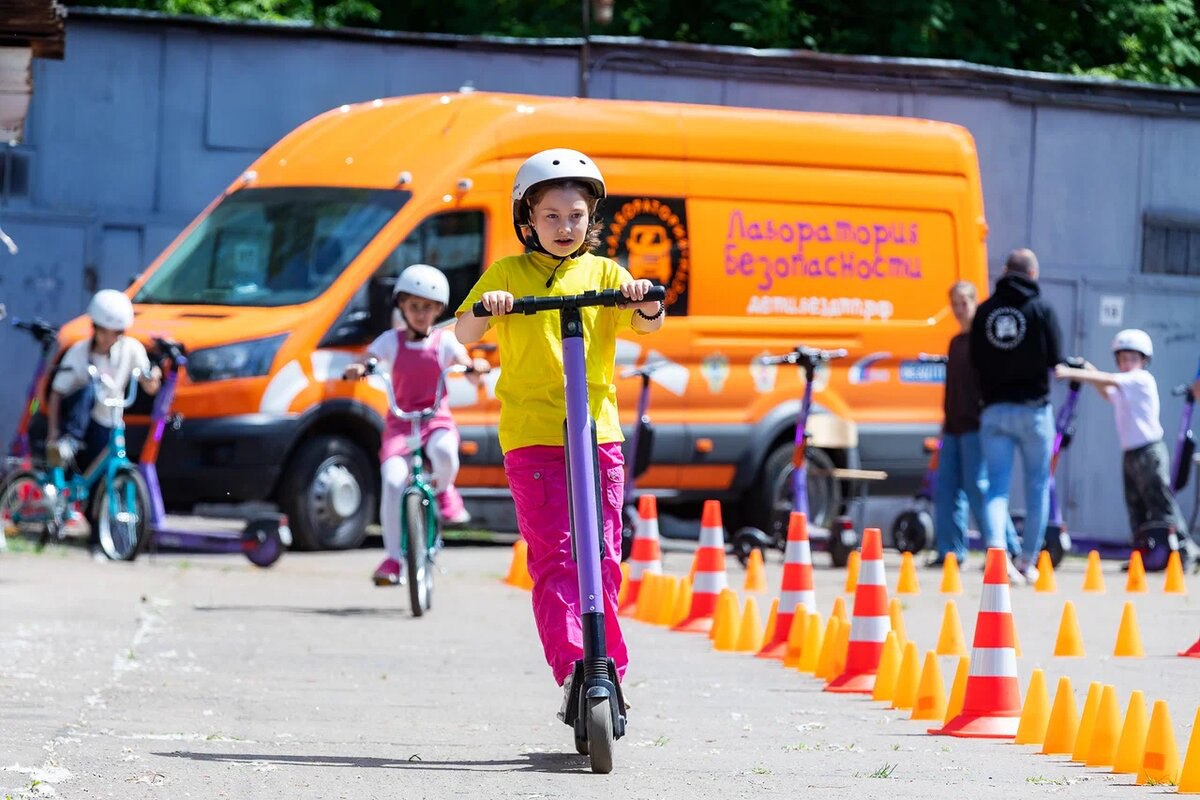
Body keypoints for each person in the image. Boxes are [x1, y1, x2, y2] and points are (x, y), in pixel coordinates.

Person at [454, 148, 665, 718]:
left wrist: (643, 297)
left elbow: (649, 320)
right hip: (533, 436)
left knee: (603, 555)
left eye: (576, 215)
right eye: (551, 216)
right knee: (554, 555)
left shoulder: (604, 273)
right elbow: (465, 330)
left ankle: (609, 670)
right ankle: (575, 665)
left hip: (597, 435)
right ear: (529, 220)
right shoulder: (507, 275)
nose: (565, 227)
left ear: (592, 221)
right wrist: (489, 305)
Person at [343, 264, 489, 586]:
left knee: (444, 452)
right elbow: (369, 359)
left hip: (435, 419)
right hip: (400, 424)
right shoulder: (390, 341)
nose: (421, 314)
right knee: (393, 482)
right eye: (414, 306)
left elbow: (466, 362)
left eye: (428, 307)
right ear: (402, 307)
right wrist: (359, 368)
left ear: (438, 309)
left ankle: (447, 491)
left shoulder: (444, 342)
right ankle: (394, 559)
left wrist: (473, 367)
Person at [1054, 330, 1198, 567]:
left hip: (1149, 452)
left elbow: (1109, 381)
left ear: (1143, 360)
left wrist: (1071, 373)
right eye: (1122, 358)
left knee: (1160, 503)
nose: (1127, 363)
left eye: (1132, 358)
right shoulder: (1124, 386)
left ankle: (1184, 551)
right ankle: (1142, 556)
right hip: (1130, 453)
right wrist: (1088, 369)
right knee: (1135, 507)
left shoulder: (1141, 379)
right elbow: (1106, 391)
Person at [970, 248, 1064, 584]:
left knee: (997, 489)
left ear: (1007, 270)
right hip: (1034, 411)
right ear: (1033, 274)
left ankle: (997, 555)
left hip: (994, 411)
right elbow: (1057, 361)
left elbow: (975, 362)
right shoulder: (1041, 309)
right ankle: (1027, 561)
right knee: (1038, 486)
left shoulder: (984, 312)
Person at [931, 281, 1020, 568]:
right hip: (953, 427)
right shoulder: (955, 343)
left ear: (974, 303)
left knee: (978, 488)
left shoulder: (984, 342)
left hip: (976, 427)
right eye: (955, 305)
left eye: (964, 304)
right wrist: (943, 425)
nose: (959, 310)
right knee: (946, 489)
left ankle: (1006, 547)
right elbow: (952, 389)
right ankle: (951, 552)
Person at [46, 289, 161, 474]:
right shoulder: (79, 352)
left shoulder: (131, 349)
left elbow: (150, 386)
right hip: (81, 421)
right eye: (103, 332)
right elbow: (57, 392)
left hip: (110, 421)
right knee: (91, 387)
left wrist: (152, 377)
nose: (109, 339)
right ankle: (70, 442)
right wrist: (53, 433)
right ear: (95, 328)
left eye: (116, 333)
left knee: (107, 472)